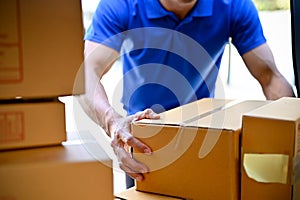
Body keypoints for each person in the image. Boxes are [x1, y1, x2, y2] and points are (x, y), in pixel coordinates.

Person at [80, 0, 295, 188]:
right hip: (144, 143)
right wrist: (113, 122)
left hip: (204, 141)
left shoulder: (233, 5)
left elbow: (270, 77)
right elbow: (86, 74)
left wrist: (294, 137)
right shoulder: (122, 5)